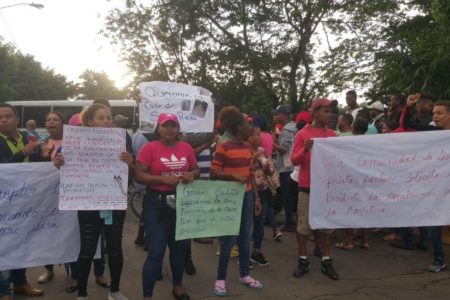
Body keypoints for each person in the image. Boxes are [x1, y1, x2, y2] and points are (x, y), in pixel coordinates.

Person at [54, 104, 133, 300]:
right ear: (89, 121)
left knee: (115, 250)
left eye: (109, 117)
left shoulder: (122, 139)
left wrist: (130, 162)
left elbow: (129, 175)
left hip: (113, 203)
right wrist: (59, 162)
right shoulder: (74, 141)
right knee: (87, 251)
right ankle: (82, 294)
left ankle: (114, 291)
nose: (107, 121)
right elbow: (62, 165)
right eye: (101, 117)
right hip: (88, 204)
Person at [134, 113, 200, 300]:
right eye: (165, 125)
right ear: (158, 128)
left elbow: (195, 168)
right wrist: (161, 179)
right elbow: (138, 174)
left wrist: (192, 175)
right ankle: (147, 296)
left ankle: (177, 286)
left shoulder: (186, 147)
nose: (170, 129)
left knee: (179, 248)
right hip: (156, 203)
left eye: (173, 125)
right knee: (156, 251)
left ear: (179, 129)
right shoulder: (149, 148)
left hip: (181, 201)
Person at [210, 106, 263, 297]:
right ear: (238, 127)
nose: (250, 127)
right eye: (247, 124)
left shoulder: (249, 147)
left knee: (244, 237)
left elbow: (249, 174)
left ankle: (244, 275)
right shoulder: (224, 147)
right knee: (229, 239)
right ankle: (221, 278)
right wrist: (233, 176)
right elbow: (213, 173)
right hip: (230, 199)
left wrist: (256, 197)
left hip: (247, 196)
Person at [290, 98, 339, 280]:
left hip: (325, 188)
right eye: (326, 111)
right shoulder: (303, 134)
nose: (330, 115)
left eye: (331, 112)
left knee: (324, 228)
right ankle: (303, 260)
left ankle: (326, 261)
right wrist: (304, 149)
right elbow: (294, 160)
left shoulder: (333, 135)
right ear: (315, 113)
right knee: (303, 227)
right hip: (307, 187)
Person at [0, 103, 43, 298]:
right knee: (4, 244)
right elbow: (3, 168)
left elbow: (38, 166)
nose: (3, 120)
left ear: (16, 119)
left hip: (25, 201)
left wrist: (50, 158)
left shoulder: (27, 137)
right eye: (0, 117)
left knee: (22, 243)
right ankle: (3, 289)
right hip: (4, 203)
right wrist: (23, 152)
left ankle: (20, 282)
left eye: (7, 116)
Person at [335, 118, 370, 251]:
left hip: (350, 181)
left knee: (349, 211)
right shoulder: (370, 142)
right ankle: (365, 241)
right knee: (364, 211)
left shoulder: (348, 141)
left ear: (354, 127)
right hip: (366, 182)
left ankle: (348, 241)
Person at [249, 124, 279, 266]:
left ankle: (256, 251)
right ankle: (243, 253)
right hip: (249, 192)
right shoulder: (245, 151)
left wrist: (267, 168)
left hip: (264, 191)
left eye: (260, 133)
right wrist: (252, 159)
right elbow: (245, 171)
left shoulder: (262, 151)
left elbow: (270, 171)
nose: (260, 137)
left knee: (259, 223)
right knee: (246, 224)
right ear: (248, 137)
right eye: (256, 134)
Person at [273, 105, 298, 232]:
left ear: (283, 115)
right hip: (293, 166)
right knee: (290, 196)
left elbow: (283, 150)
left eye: (277, 114)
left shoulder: (288, 130)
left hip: (287, 167)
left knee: (287, 196)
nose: (275, 117)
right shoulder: (293, 128)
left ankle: (289, 223)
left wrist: (273, 142)